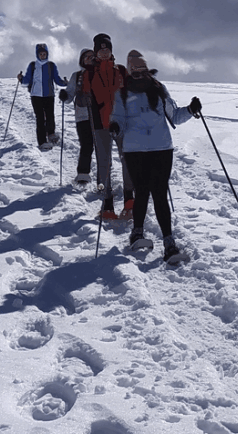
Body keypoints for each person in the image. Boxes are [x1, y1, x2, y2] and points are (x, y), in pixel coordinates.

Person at [109, 49, 202, 264]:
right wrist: (115, 126)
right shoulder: (122, 92)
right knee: (142, 191)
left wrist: (190, 109)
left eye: (143, 69)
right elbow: (118, 118)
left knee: (159, 193)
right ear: (130, 71)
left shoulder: (159, 89)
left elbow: (175, 116)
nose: (140, 73)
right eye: (135, 70)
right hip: (135, 150)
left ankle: (169, 243)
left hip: (162, 148)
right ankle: (137, 233)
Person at [81, 33, 133, 220]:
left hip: (122, 123)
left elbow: (131, 93)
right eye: (100, 49)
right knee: (104, 163)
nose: (104, 52)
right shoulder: (89, 73)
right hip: (100, 124)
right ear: (96, 52)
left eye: (107, 48)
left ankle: (129, 200)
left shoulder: (120, 70)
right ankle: (108, 202)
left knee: (127, 160)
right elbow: (84, 96)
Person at [19, 44, 67, 151]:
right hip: (36, 95)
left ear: (47, 54)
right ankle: (42, 141)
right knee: (40, 118)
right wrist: (21, 79)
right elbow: (27, 80)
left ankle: (51, 134)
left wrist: (65, 83)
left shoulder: (51, 65)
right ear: (37, 54)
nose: (42, 56)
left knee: (50, 116)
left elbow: (57, 79)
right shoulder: (33, 65)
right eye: (40, 54)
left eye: (44, 54)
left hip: (49, 94)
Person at [59, 48, 95, 183]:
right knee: (86, 145)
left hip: (100, 115)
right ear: (82, 60)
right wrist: (64, 96)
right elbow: (69, 95)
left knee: (101, 147)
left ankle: (103, 175)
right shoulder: (77, 76)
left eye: (92, 56)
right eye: (86, 57)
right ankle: (83, 173)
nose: (89, 59)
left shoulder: (101, 74)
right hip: (82, 115)